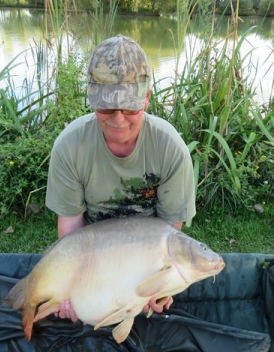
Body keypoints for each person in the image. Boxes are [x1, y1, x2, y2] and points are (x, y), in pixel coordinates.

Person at [45, 35, 196, 322]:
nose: (117, 119)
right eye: (105, 107)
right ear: (91, 99)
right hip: (93, 256)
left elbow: (168, 235)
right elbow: (71, 230)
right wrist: (72, 286)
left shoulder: (170, 149)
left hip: (144, 257)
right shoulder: (69, 147)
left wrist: (160, 284)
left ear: (147, 98)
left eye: (129, 108)